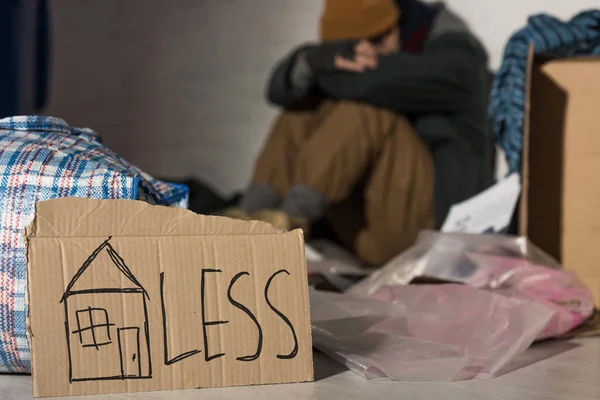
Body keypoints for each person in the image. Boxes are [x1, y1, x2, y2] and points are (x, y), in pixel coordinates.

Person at [228, 0, 489, 265]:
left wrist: (320, 68)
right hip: (361, 228)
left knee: (368, 107)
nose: (351, 57)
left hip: (423, 231)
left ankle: (291, 222)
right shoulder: (374, 43)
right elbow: (278, 91)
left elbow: (383, 80)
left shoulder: (454, 50)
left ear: (389, 34)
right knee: (303, 108)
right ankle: (251, 213)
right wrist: (310, 61)